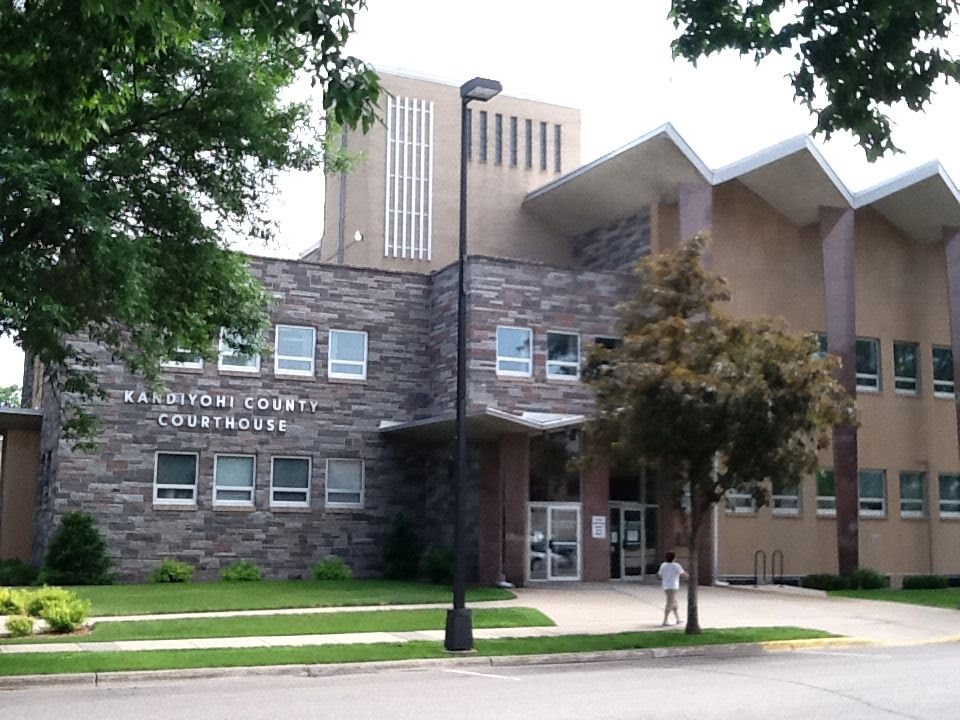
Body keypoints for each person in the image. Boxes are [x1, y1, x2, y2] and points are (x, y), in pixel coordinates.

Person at [657, 551, 687, 626]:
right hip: (673, 586)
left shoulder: (663, 565)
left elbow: (660, 575)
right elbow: (683, 574)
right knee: (669, 603)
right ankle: (665, 621)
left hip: (666, 586)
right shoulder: (676, 565)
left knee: (674, 603)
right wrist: (690, 576)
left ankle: (678, 619)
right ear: (674, 558)